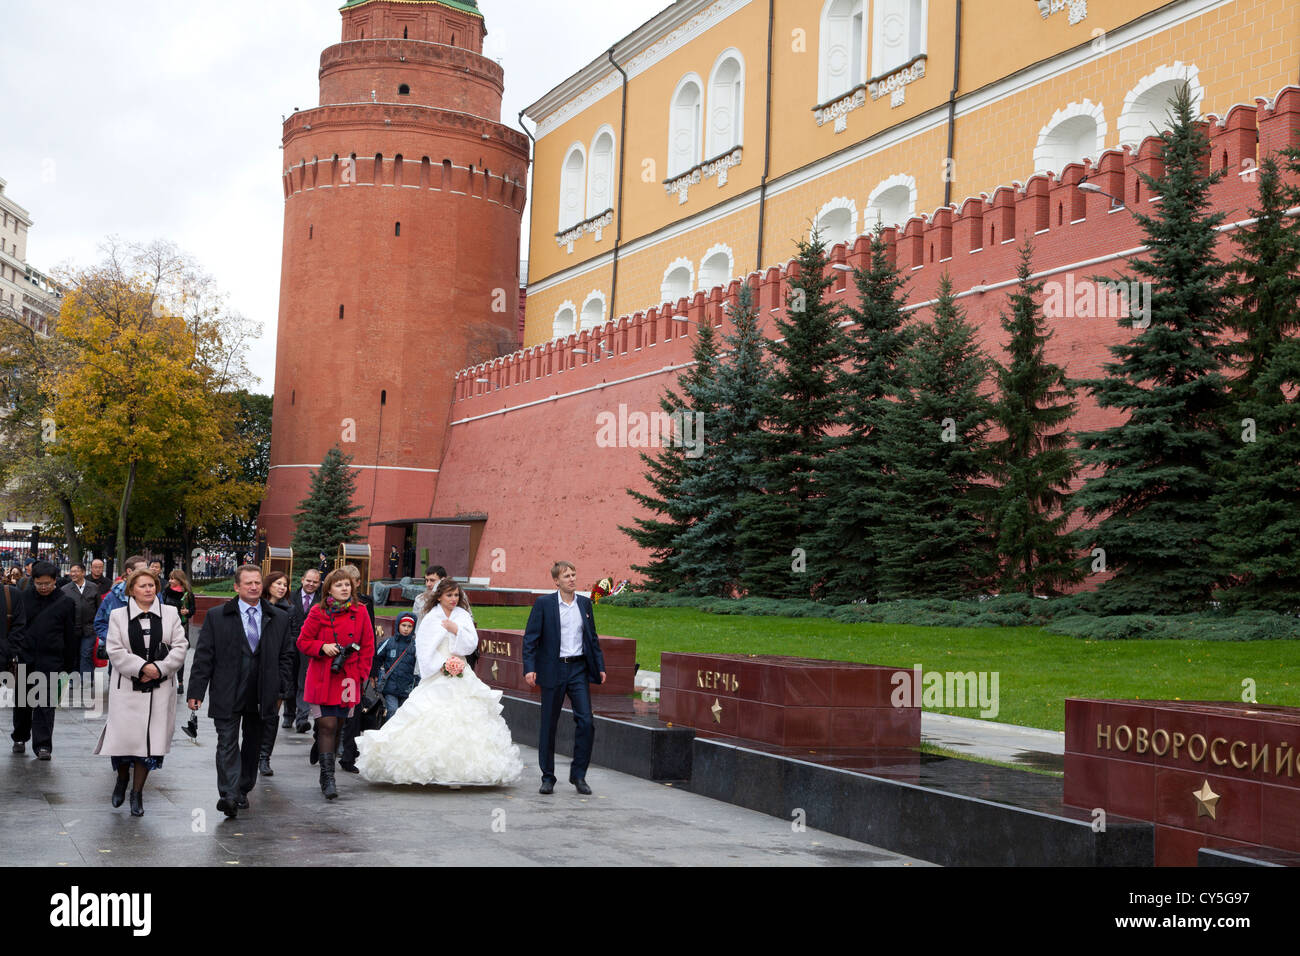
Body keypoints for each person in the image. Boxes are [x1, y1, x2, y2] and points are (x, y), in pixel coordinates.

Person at [356, 579, 522, 786]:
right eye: (449, 595)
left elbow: (471, 644)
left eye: (456, 595)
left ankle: (462, 769)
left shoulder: (463, 616)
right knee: (429, 714)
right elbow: (424, 649)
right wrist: (441, 666)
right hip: (438, 672)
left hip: (461, 671)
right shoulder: (431, 618)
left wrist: (456, 631)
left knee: (465, 716)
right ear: (440, 596)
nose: (454, 599)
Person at [186, 566, 294, 820]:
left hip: (262, 692)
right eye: (248, 583)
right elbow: (204, 656)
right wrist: (196, 690)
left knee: (253, 745)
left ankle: (243, 788)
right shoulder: (217, 616)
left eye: (257, 582)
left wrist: (281, 685)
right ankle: (228, 795)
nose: (254, 587)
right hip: (228, 689)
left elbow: (286, 655)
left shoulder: (277, 617)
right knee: (227, 743)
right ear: (236, 587)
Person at [93, 568, 188, 817]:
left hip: (159, 689)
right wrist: (141, 667)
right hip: (126, 689)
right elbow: (115, 649)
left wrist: (159, 668)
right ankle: (122, 780)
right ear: (131, 590)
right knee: (125, 744)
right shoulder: (117, 615)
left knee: (148, 745)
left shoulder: (169, 613)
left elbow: (181, 645)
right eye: (143, 586)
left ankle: (137, 793)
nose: (149, 590)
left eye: (152, 585)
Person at [523, 561, 606, 796]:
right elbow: (530, 638)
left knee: (586, 722)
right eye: (566, 576)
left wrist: (599, 666)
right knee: (549, 724)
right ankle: (547, 777)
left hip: (578, 669)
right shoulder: (544, 604)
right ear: (556, 581)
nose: (572, 578)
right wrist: (529, 668)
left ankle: (579, 775)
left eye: (574, 574)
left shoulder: (585, 604)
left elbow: (592, 638)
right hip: (553, 670)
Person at [296, 568, 374, 799]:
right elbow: (303, 641)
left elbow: (368, 646)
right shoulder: (318, 612)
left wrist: (360, 676)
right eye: (339, 585)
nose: (344, 589)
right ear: (329, 589)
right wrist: (322, 647)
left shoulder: (360, 611)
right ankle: (328, 777)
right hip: (323, 675)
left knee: (339, 725)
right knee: (328, 725)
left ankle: (324, 758)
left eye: (347, 585)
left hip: (349, 677)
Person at [12, 562, 78, 759]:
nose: (43, 587)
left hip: (52, 659)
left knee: (46, 704)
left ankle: (43, 746)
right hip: (26, 656)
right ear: (33, 581)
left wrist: (68, 663)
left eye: (47, 583)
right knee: (23, 701)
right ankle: (20, 736)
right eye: (39, 583)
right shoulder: (23, 598)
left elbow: (70, 634)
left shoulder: (66, 603)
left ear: (55, 581)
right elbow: (16, 626)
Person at [257, 570, 293, 776]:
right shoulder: (257, 607)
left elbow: (290, 646)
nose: (281, 587)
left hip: (278, 671)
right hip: (256, 670)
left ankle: (264, 757)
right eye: (278, 583)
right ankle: (252, 752)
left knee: (272, 716)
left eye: (285, 585)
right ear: (268, 584)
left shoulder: (288, 611)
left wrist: (285, 678)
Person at [288, 568, 322, 733]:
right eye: (308, 580)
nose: (311, 584)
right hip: (289, 644)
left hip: (308, 647)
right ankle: (288, 714)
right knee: (289, 679)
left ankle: (301, 719)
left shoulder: (322, 601)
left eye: (315, 582)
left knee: (303, 681)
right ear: (302, 580)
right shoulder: (290, 598)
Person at [93, 554, 147, 656]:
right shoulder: (113, 597)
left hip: (146, 652)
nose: (146, 573)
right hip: (119, 654)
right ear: (129, 571)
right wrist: (114, 641)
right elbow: (100, 623)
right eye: (142, 570)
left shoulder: (154, 595)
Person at [61, 563, 100, 705]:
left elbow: (98, 607)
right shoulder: (65, 590)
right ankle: (73, 679)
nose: (73, 574)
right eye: (72, 572)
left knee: (85, 653)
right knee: (73, 654)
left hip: (89, 628)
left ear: (83, 572)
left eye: (76, 571)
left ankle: (86, 679)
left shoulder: (93, 587)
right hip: (72, 629)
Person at [372, 611, 418, 722]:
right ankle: (388, 734)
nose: (406, 629)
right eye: (403, 625)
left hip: (408, 686)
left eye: (409, 626)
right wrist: (374, 675)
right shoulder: (389, 642)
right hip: (390, 686)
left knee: (404, 713)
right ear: (398, 625)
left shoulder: (416, 645)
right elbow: (376, 658)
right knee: (392, 710)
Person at [160, 570, 195, 696]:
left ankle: (180, 682)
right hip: (167, 626)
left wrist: (187, 612)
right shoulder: (166, 592)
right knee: (165, 653)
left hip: (181, 627)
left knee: (180, 655)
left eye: (173, 579)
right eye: (169, 578)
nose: (170, 581)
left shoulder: (187, 594)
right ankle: (166, 678)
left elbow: (193, 609)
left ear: (180, 580)